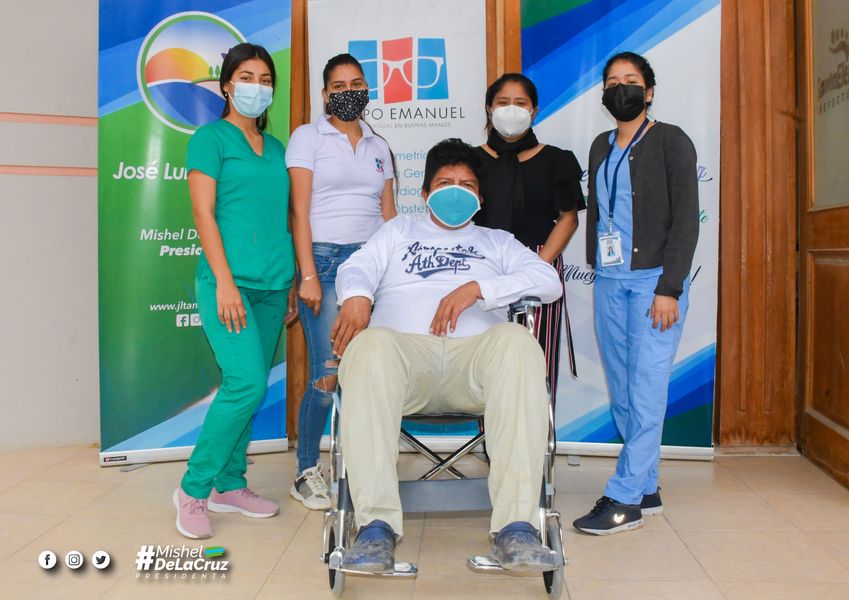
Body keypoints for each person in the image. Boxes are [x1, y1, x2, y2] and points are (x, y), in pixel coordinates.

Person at [330, 139, 564, 573]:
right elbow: (356, 267)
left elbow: (548, 281)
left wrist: (479, 289)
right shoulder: (398, 231)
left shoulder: (497, 242)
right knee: (369, 345)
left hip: (477, 366)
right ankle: (375, 529)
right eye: (444, 183)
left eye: (467, 185)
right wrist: (358, 295)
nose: (456, 191)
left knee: (518, 342)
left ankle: (517, 529)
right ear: (424, 193)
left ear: (480, 198)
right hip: (405, 364)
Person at [572, 52, 699, 535]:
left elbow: (686, 220)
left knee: (646, 387)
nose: (620, 88)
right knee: (623, 388)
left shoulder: (670, 140)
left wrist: (670, 288)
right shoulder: (600, 146)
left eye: (630, 80)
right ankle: (646, 486)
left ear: (648, 92)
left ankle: (624, 499)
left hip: (655, 283)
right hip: (610, 281)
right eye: (611, 81)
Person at [175, 43, 295, 539]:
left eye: (265, 80)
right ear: (227, 85)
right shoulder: (210, 139)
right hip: (228, 283)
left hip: (274, 284)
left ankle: (230, 483)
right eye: (247, 77)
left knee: (249, 386)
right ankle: (193, 488)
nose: (257, 87)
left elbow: (283, 216)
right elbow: (203, 213)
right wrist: (224, 281)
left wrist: (291, 281)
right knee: (245, 383)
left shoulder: (279, 148)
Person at [285, 54, 396, 510]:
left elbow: (389, 215)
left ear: (367, 89)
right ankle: (306, 470)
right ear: (325, 94)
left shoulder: (378, 145)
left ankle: (361, 465)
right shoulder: (308, 137)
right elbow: (299, 212)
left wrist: (395, 273)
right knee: (328, 373)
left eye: (357, 83)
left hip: (371, 266)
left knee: (368, 371)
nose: (349, 91)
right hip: (325, 264)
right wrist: (308, 275)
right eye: (339, 85)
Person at [474, 73, 584, 404]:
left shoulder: (557, 160)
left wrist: (537, 265)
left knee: (537, 360)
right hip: (483, 268)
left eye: (520, 103)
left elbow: (568, 218)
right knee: (484, 360)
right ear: (489, 109)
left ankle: (536, 433)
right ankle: (490, 432)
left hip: (539, 261)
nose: (511, 109)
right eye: (503, 102)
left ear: (534, 111)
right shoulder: (469, 161)